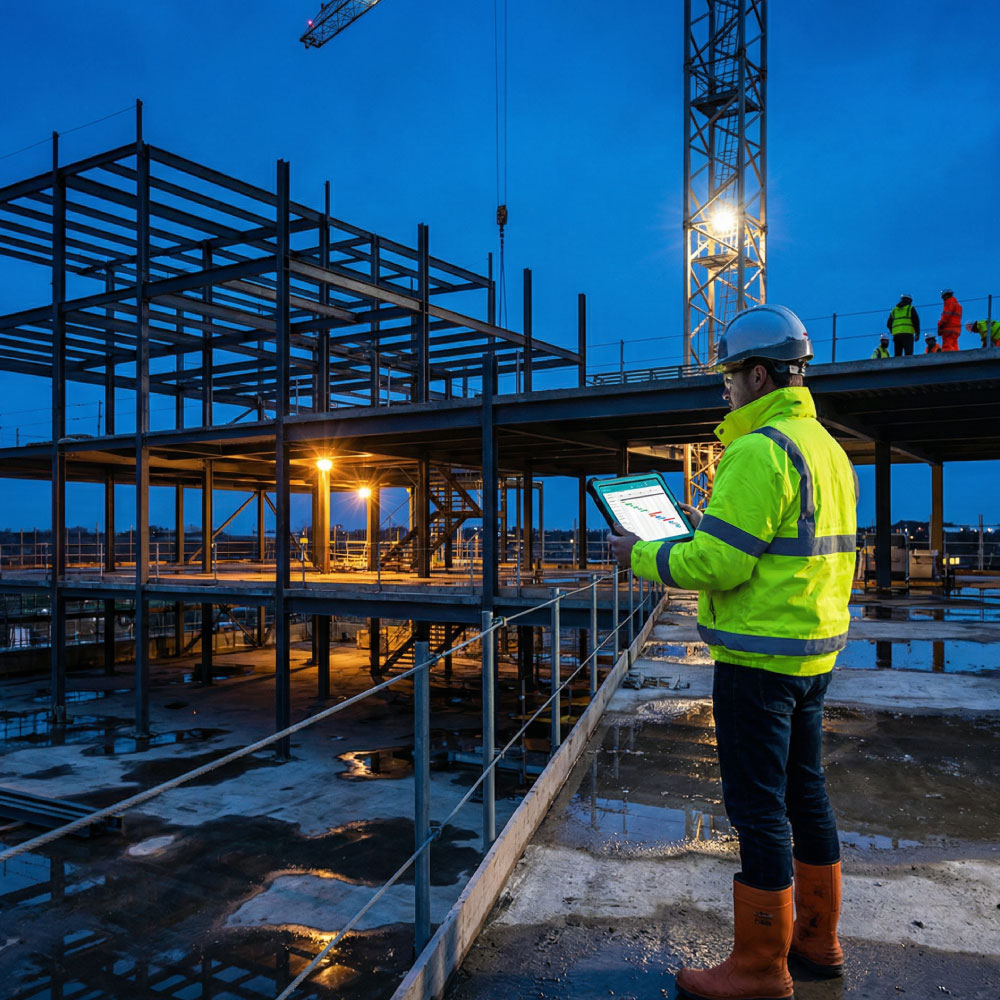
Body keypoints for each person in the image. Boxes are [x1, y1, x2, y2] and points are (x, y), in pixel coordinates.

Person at [609, 305, 856, 1000]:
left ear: (757, 374)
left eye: (728, 376)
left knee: (757, 808)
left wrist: (646, 554)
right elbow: (773, 543)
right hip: (812, 653)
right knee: (806, 794)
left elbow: (720, 566)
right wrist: (701, 529)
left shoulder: (758, 450)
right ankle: (818, 938)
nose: (724, 389)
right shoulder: (824, 447)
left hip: (758, 660)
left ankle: (758, 967)